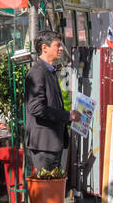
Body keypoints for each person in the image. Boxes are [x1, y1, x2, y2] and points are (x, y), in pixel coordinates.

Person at [24, 31, 79, 175]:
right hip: (44, 145)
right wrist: (67, 115)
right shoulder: (37, 72)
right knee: (46, 192)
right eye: (57, 45)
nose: (61, 48)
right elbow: (36, 108)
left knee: (52, 190)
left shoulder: (49, 71)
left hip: (51, 143)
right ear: (44, 48)